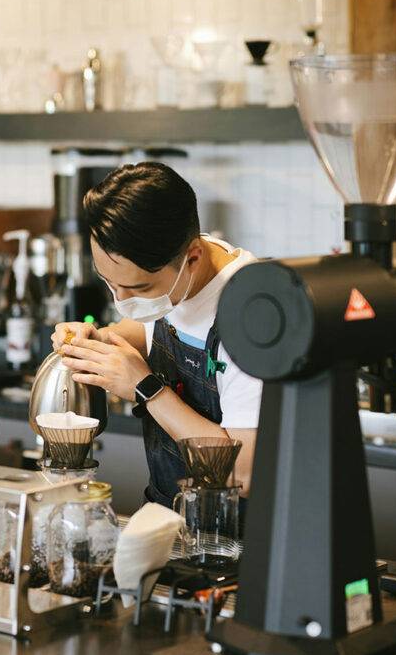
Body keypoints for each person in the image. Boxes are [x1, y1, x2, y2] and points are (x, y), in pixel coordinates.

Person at [52, 162, 261, 507]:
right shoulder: (178, 264)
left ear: (193, 258)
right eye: (110, 283)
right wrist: (100, 340)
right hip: (171, 518)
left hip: (238, 542)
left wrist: (147, 388)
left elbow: (242, 473)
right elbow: (151, 326)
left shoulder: (252, 316)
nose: (121, 301)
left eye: (138, 288)